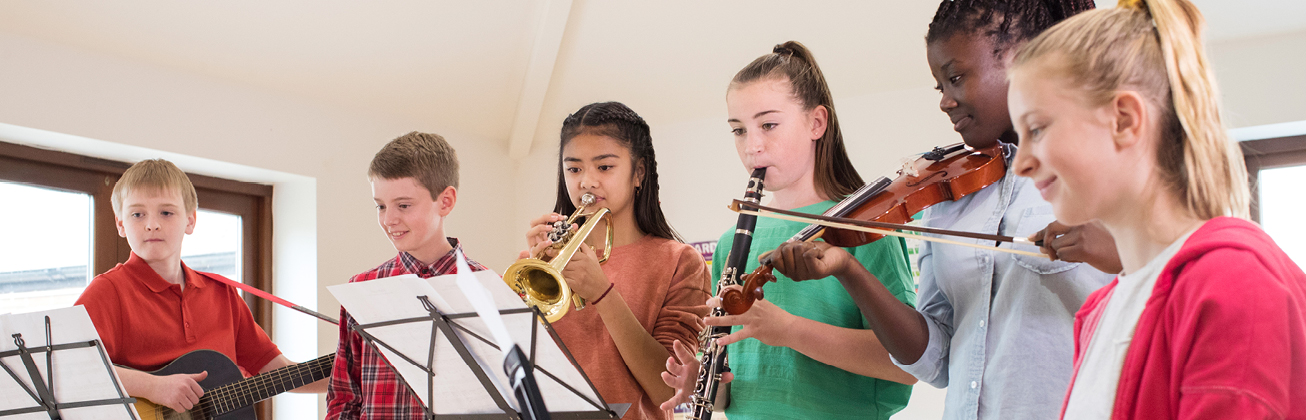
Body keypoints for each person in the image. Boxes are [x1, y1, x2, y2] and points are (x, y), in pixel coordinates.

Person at [763, 3, 1117, 419]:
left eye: (955, 78)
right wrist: (849, 270)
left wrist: (1115, 250)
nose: (946, 102)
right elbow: (936, 360)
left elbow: (1172, 282)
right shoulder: (948, 197)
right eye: (940, 87)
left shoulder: (1102, 167)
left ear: (1026, 59)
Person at [1008, 0, 1306, 418]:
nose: (1021, 162)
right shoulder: (1100, 311)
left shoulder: (1234, 283)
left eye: (1036, 128)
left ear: (1124, 119)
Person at [661, 41, 918, 420]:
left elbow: (906, 363)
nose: (753, 147)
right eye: (738, 130)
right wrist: (702, 385)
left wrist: (788, 330)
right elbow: (734, 395)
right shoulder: (732, 243)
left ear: (816, 123)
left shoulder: (864, 227)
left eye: (768, 124)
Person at [75, 159, 326, 414]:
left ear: (190, 221)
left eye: (166, 212)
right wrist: (153, 387)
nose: (152, 224)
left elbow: (277, 370)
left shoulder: (222, 295)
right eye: (137, 214)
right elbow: (69, 367)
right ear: (120, 223)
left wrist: (351, 374)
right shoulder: (108, 291)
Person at [519, 101, 711, 420]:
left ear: (639, 173)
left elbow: (668, 391)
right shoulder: (539, 261)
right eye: (574, 168)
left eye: (604, 167)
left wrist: (603, 294)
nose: (587, 182)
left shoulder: (680, 261)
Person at [326, 132, 488, 419]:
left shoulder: (489, 288)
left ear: (446, 201)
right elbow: (343, 398)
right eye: (381, 206)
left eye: (403, 205)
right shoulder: (361, 288)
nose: (389, 220)